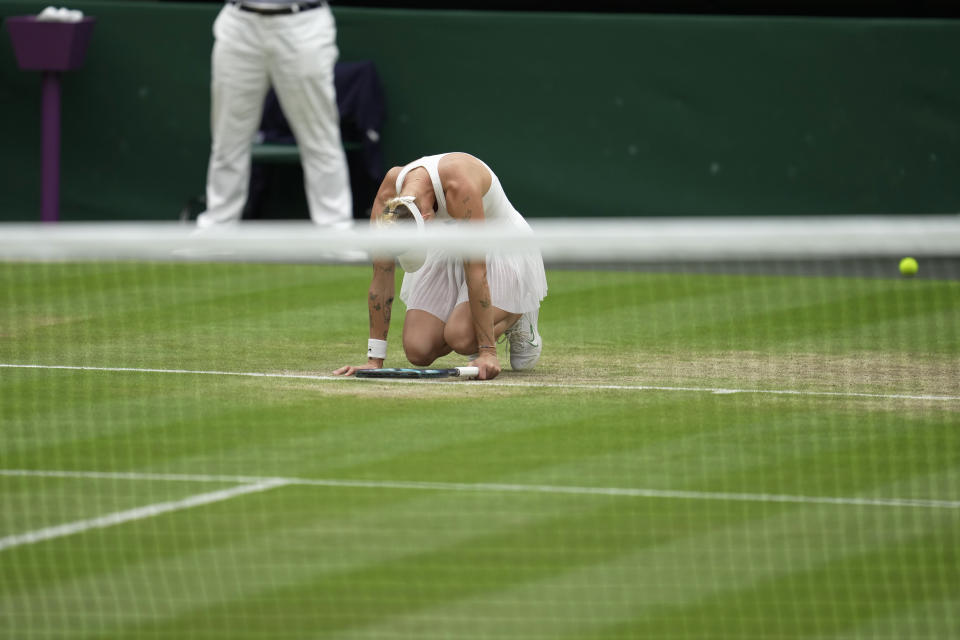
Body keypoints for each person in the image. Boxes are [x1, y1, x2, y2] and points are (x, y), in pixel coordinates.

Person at [334, 152, 547, 380]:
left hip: (499, 245)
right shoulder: (389, 198)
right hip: (446, 249)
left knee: (462, 338)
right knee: (418, 350)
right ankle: (481, 316)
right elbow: (381, 277)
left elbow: (476, 270)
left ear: (426, 219)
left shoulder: (460, 185)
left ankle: (519, 313)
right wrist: (374, 360)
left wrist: (487, 351)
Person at [196, 0, 352, 229]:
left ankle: (336, 232)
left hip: (303, 23)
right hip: (240, 23)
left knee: (320, 140)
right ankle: (216, 229)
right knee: (227, 142)